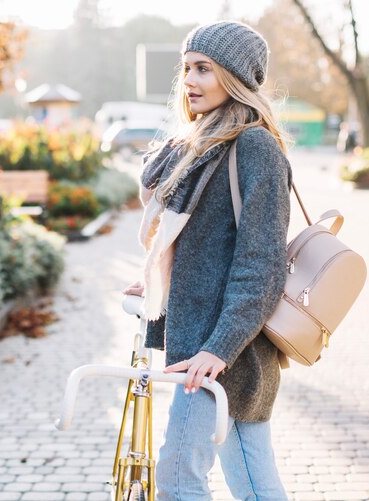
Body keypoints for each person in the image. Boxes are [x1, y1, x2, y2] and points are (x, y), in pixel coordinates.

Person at [123, 21, 291, 501]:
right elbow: (205, 249)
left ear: (235, 77)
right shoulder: (203, 146)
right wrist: (162, 284)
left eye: (204, 69)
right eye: (187, 69)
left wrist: (218, 349)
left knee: (178, 480)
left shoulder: (254, 147)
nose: (190, 81)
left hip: (221, 353)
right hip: (207, 347)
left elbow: (260, 265)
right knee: (253, 484)